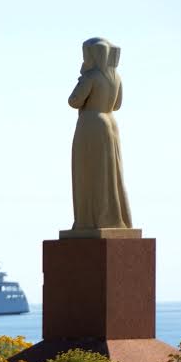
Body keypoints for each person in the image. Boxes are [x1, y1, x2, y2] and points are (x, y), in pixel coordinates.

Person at [68, 37, 132, 230]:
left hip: (91, 124)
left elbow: (74, 101)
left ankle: (91, 220)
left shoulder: (91, 76)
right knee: (110, 174)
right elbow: (118, 104)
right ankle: (114, 218)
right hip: (110, 123)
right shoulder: (116, 77)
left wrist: (82, 78)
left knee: (90, 174)